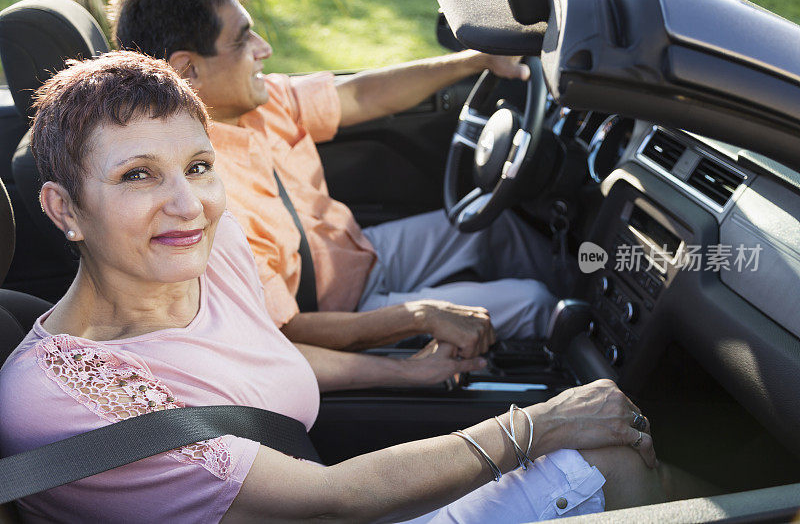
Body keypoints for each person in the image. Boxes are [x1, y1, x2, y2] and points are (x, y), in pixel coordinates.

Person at [0, 52, 674, 523]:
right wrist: (540, 423)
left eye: (199, 166)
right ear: (64, 210)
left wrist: (408, 374)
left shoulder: (210, 250)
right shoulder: (66, 397)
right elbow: (329, 499)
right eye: (137, 176)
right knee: (613, 464)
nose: (189, 205)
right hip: (330, 500)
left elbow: (266, 353)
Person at [107, 0, 562, 357]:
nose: (264, 49)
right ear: (188, 71)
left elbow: (361, 96)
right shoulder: (197, 197)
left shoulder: (259, 103)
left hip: (362, 254)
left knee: (495, 227)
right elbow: (292, 330)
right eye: (244, 40)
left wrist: (475, 60)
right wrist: (419, 315)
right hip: (344, 317)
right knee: (534, 302)